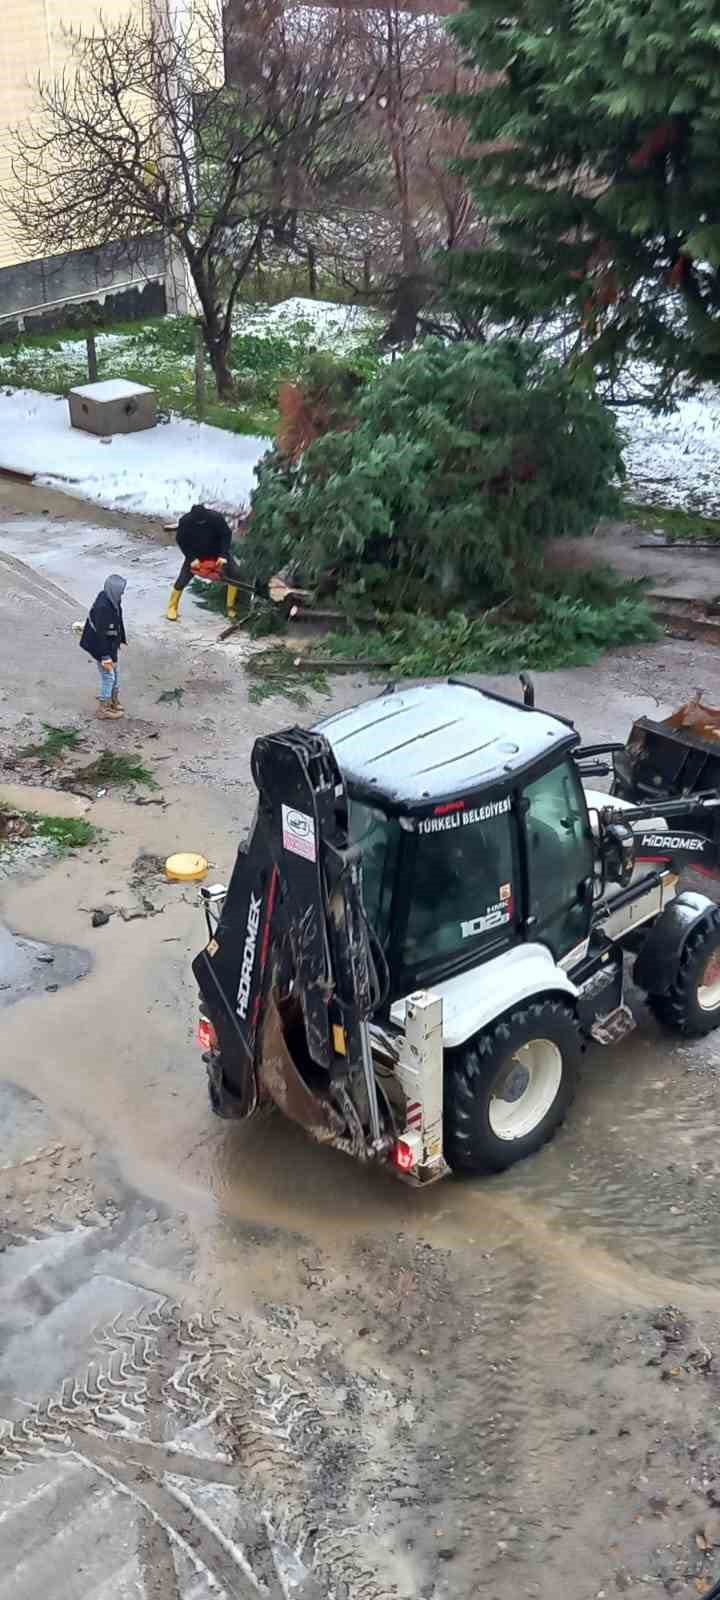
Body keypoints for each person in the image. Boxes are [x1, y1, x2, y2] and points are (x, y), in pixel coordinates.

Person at [165, 503, 249, 622]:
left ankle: (230, 607)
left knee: (235, 574)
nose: (201, 523)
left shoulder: (216, 518)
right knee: (182, 579)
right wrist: (191, 558)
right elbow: (181, 540)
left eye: (203, 521)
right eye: (198, 522)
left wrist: (223, 555)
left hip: (217, 553)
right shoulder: (185, 521)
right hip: (196, 555)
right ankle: (172, 607)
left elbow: (226, 534)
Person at [79, 575, 127, 720]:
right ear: (114, 590)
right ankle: (103, 708)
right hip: (100, 647)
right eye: (121, 590)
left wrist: (122, 638)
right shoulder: (103, 608)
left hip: (111, 644)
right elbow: (100, 635)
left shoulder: (113, 599)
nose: (123, 593)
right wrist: (105, 656)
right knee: (108, 675)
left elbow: (118, 620)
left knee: (115, 670)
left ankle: (113, 700)